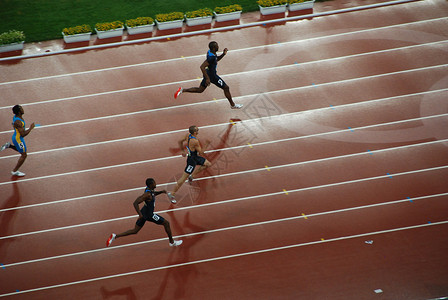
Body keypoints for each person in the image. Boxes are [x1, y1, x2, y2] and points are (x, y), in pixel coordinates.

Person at [106, 178, 183, 247]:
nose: (156, 184)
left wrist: (161, 192)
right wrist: (139, 214)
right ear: (150, 185)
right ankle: (172, 242)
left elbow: (153, 194)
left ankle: (115, 236)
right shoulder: (147, 194)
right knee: (166, 223)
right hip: (149, 215)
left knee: (135, 231)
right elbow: (135, 203)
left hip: (144, 212)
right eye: (154, 183)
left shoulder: (149, 190)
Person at [174, 41, 243, 109]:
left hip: (208, 73)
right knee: (226, 88)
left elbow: (216, 59)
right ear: (213, 48)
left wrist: (223, 54)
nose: (218, 47)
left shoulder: (211, 52)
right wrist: (207, 78)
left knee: (200, 90)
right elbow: (202, 67)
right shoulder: (211, 58)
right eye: (217, 46)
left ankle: (182, 90)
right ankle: (233, 105)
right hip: (212, 76)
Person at [168, 125, 211, 203]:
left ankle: (192, 176)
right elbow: (201, 152)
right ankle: (172, 194)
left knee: (207, 164)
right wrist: (207, 144)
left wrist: (183, 151)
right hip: (192, 161)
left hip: (194, 157)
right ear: (195, 132)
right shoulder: (195, 141)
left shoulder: (188, 135)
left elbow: (180, 141)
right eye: (197, 130)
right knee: (183, 178)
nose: (198, 130)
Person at [0, 105, 35, 177]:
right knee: (24, 155)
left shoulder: (16, 117)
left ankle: (9, 145)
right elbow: (23, 134)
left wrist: (15, 125)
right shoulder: (18, 122)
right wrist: (31, 128)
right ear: (19, 112)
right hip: (18, 139)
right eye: (21, 108)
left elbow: (13, 123)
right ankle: (15, 171)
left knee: (21, 151)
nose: (23, 109)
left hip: (16, 137)